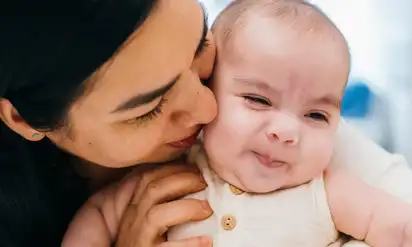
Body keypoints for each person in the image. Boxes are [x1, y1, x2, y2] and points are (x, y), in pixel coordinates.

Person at [1, 0, 412, 247]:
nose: (207, 108)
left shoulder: (307, 144)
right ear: (26, 119)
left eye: (200, 49)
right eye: (150, 106)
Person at [167, 1, 412, 246]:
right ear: (208, 87)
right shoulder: (167, 171)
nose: (286, 132)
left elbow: (402, 230)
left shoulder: (329, 194)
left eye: (316, 115)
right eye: (258, 100)